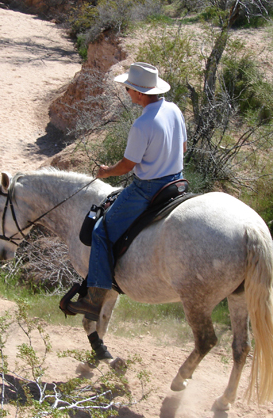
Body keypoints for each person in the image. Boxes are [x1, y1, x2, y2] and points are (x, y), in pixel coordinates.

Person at [67, 63, 187, 321]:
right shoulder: (174, 110)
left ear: (141, 93)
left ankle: (94, 298)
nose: (126, 91)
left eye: (129, 88)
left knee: (101, 232)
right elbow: (184, 147)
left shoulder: (142, 124)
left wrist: (106, 172)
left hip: (148, 189)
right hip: (176, 182)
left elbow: (127, 166)